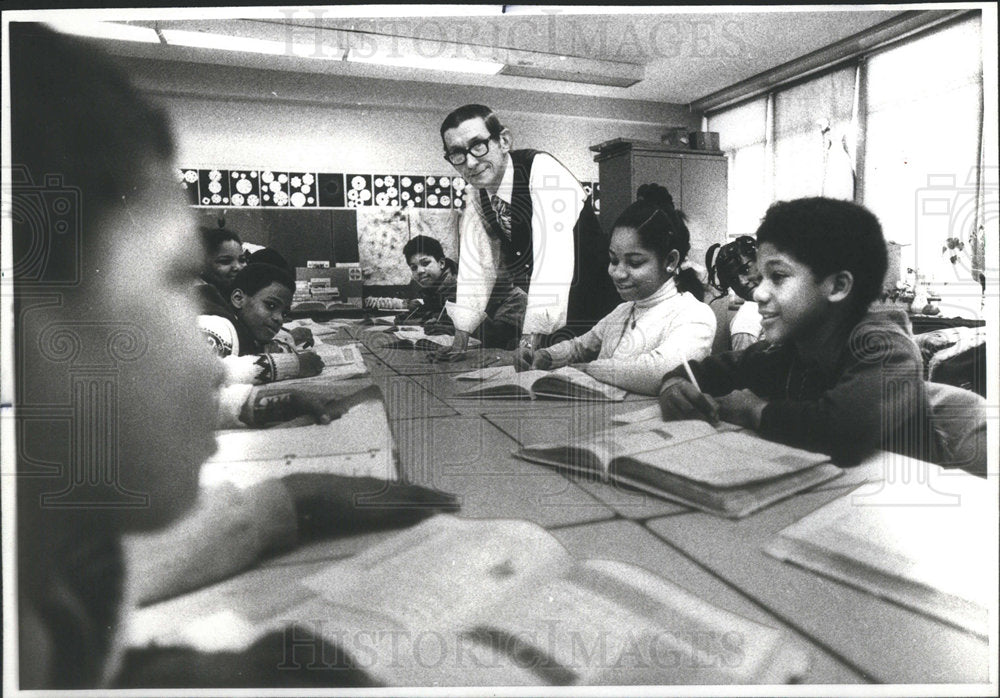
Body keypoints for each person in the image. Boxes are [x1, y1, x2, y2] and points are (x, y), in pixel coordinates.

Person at [11, 25, 456, 689]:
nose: (211, 364)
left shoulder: (45, 574)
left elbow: (85, 606)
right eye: (173, 280)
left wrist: (279, 506)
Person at [658, 197, 938, 466]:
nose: (758, 292)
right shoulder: (795, 347)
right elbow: (708, 371)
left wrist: (753, 410)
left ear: (838, 286)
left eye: (777, 276)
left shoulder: (887, 348)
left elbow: (845, 431)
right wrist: (674, 386)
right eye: (762, 277)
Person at [432, 104, 618, 361]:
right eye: (457, 153)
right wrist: (460, 341)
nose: (471, 162)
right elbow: (475, 266)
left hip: (600, 308)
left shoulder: (542, 170)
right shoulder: (477, 193)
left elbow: (551, 259)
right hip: (554, 319)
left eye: (478, 145)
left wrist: (529, 340)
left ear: (504, 141)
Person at [514, 184, 715, 395]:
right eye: (613, 260)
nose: (618, 273)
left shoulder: (694, 314)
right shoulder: (623, 310)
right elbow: (579, 347)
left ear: (671, 260)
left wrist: (589, 368)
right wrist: (546, 355)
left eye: (635, 263)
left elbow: (660, 371)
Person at [199, 263, 324, 384]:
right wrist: (293, 365)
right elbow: (200, 375)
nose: (279, 318)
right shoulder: (217, 325)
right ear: (238, 299)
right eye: (271, 305)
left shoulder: (247, 332)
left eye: (284, 313)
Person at [398, 235, 527, 349]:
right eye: (414, 267)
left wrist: (451, 329)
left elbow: (501, 337)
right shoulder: (437, 289)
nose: (420, 271)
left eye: (425, 263)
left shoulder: (462, 287)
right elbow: (439, 315)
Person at [705, 235, 764, 351]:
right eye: (733, 280)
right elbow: (747, 367)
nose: (742, 282)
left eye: (745, 269)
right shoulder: (747, 321)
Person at [196, 226, 245, 317]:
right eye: (225, 261)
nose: (238, 267)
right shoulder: (197, 303)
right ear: (202, 264)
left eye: (242, 260)